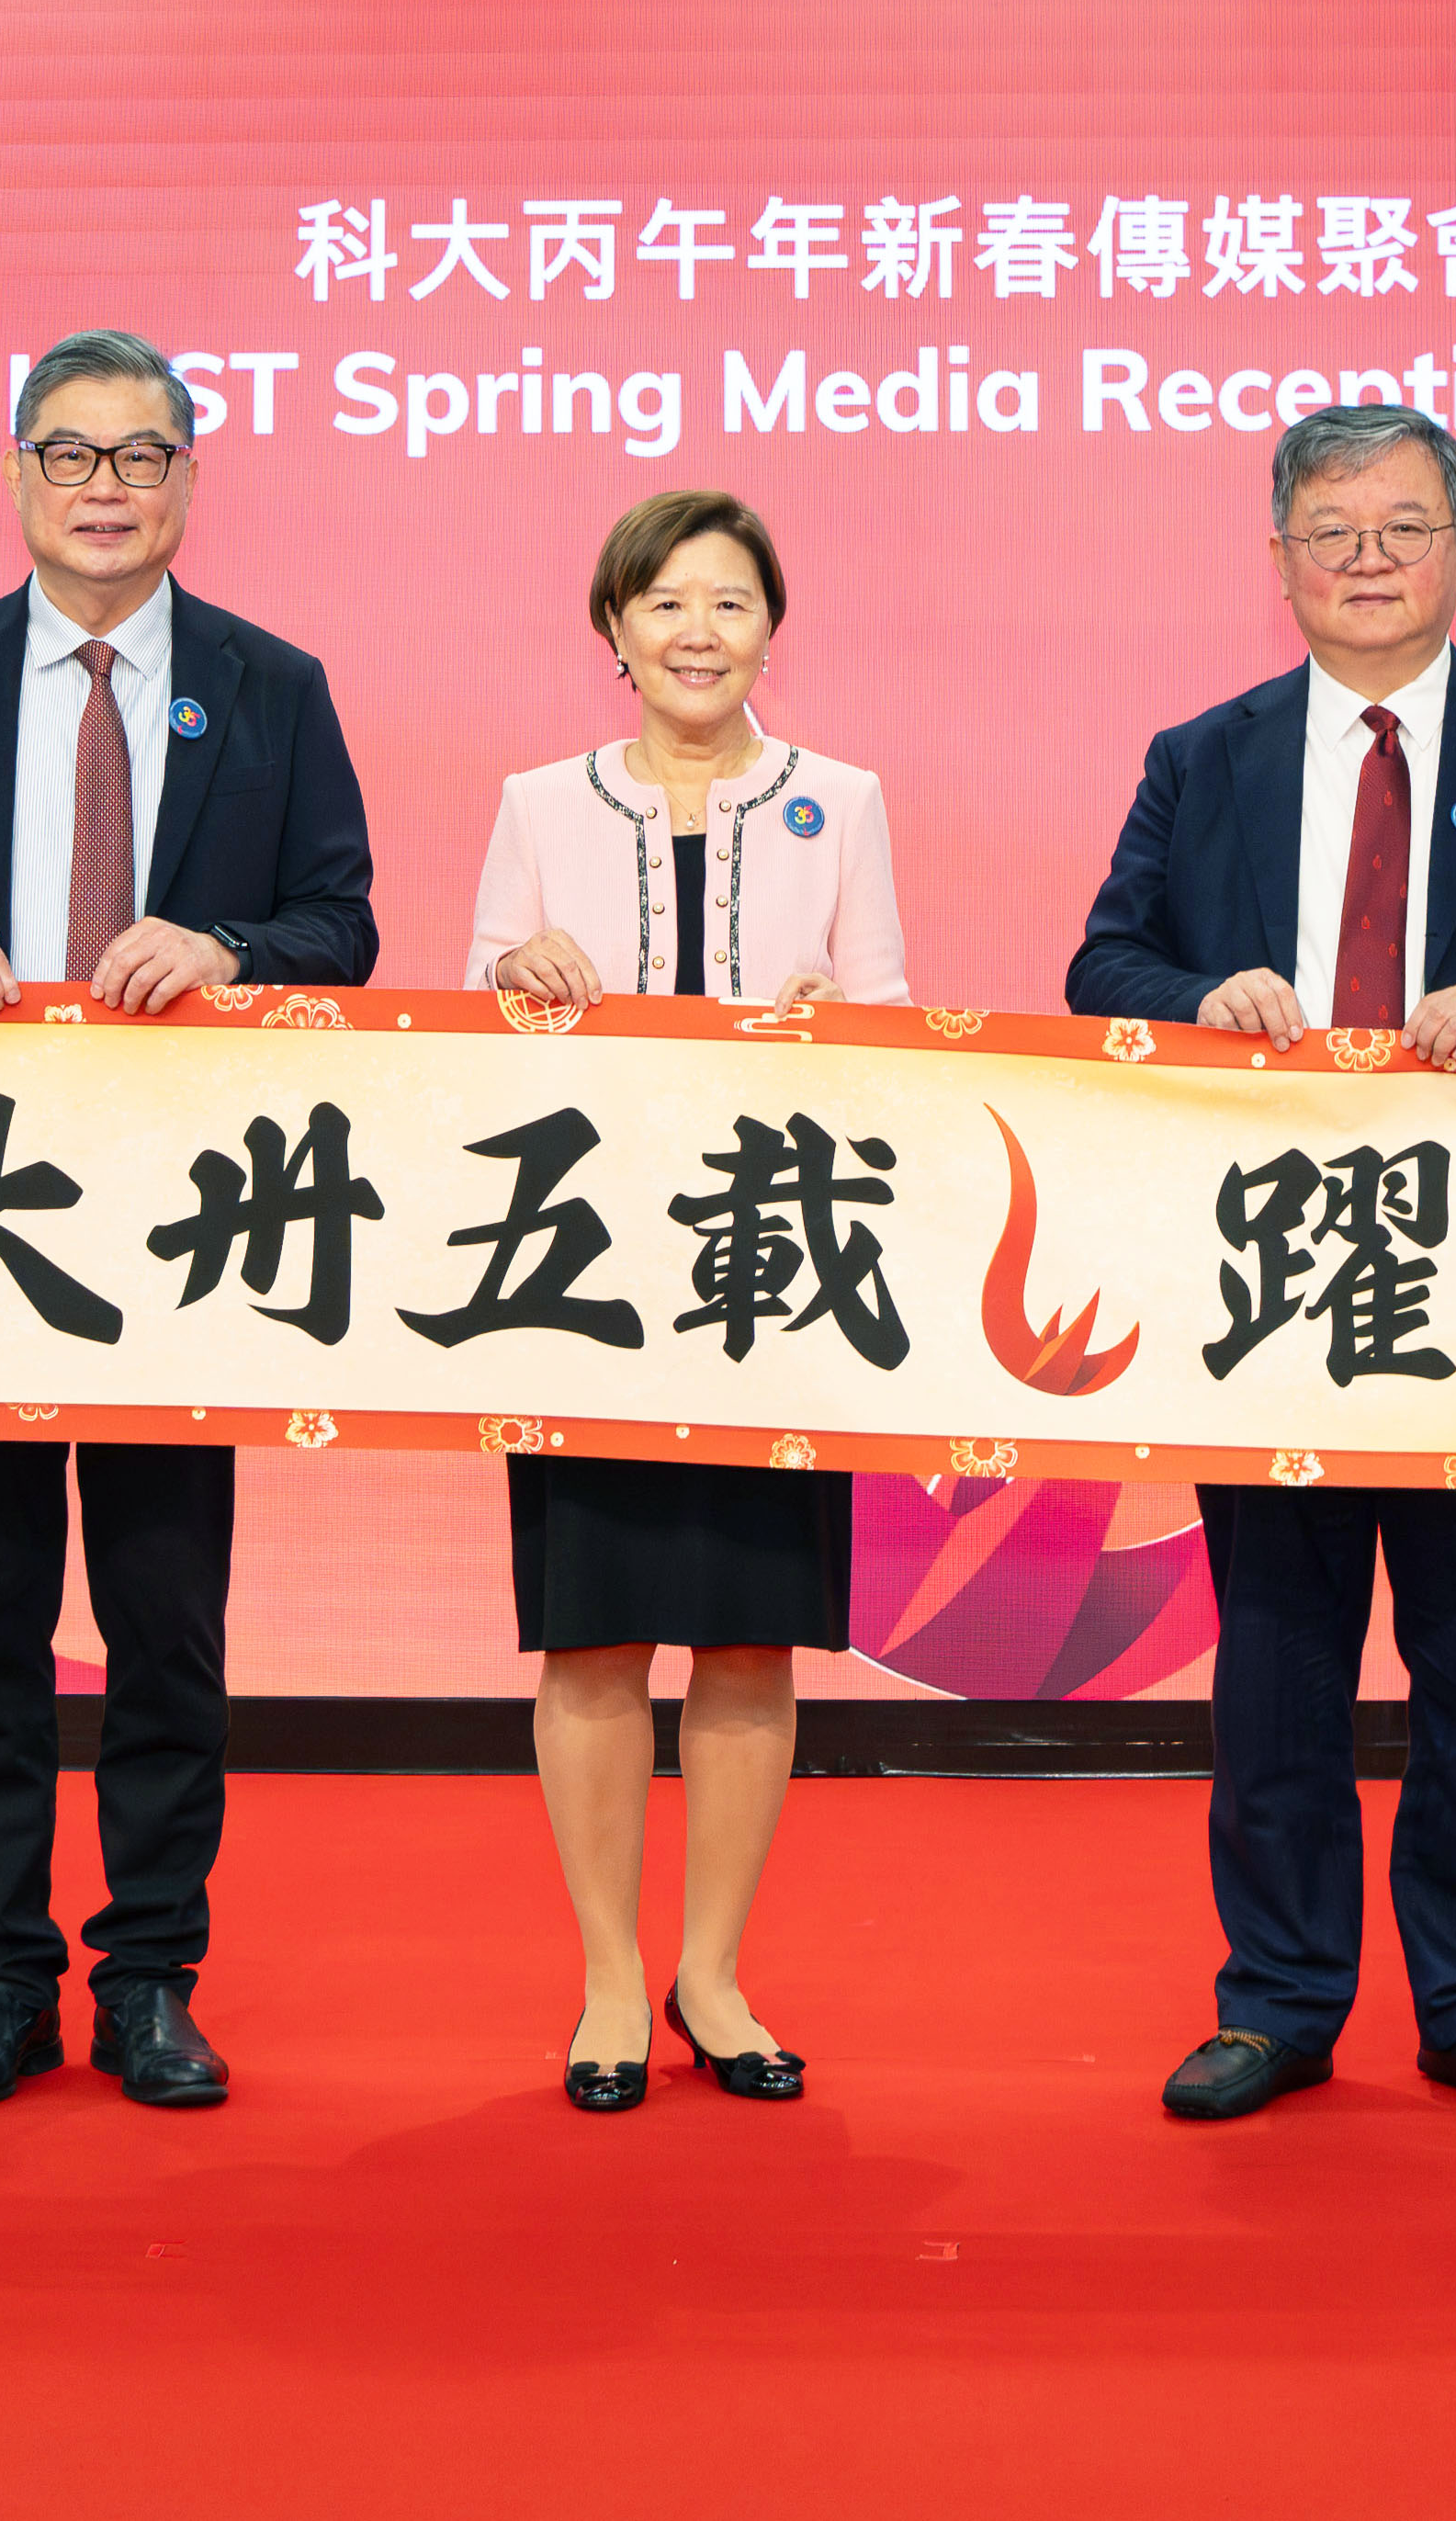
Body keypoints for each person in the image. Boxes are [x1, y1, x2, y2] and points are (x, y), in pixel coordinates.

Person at [0, 329, 377, 2114]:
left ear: (189, 480)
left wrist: (232, 949)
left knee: (165, 1613)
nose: (104, 486)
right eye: (69, 454)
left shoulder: (273, 686)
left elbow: (338, 920)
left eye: (139, 456)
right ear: (16, 475)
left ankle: (152, 1977)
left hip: (187, 1215)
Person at [1068, 402, 1456, 2123]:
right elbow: (1101, 959)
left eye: (1400, 528)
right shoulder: (1207, 757)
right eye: (1329, 530)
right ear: (1277, 562)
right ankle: (1276, 1996)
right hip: (1269, 1278)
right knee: (1276, 1649)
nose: (1365, 559)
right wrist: (1200, 998)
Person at [468, 488, 908, 2110]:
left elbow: (894, 1020)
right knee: (590, 1641)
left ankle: (711, 1975)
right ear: (614, 633)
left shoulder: (842, 801)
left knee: (744, 1642)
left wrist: (832, 1029)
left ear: (769, 628)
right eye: (664, 606)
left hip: (776, 1264)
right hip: (579, 1269)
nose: (697, 634)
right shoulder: (538, 802)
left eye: (727, 605)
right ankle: (602, 1981)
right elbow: (483, 998)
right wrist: (519, 981)